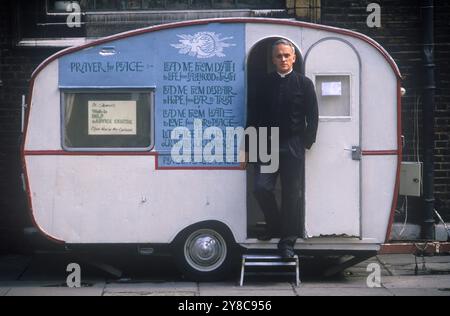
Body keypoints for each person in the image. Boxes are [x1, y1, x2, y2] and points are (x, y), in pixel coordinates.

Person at [247, 39, 319, 258]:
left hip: (292, 144)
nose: (283, 59)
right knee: (261, 187)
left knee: (291, 194)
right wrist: (247, 148)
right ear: (273, 59)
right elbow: (253, 116)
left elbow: (313, 116)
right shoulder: (263, 82)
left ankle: (287, 242)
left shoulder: (304, 83)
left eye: (287, 55)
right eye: (279, 56)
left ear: (294, 58)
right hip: (266, 143)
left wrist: (306, 142)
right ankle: (274, 225)